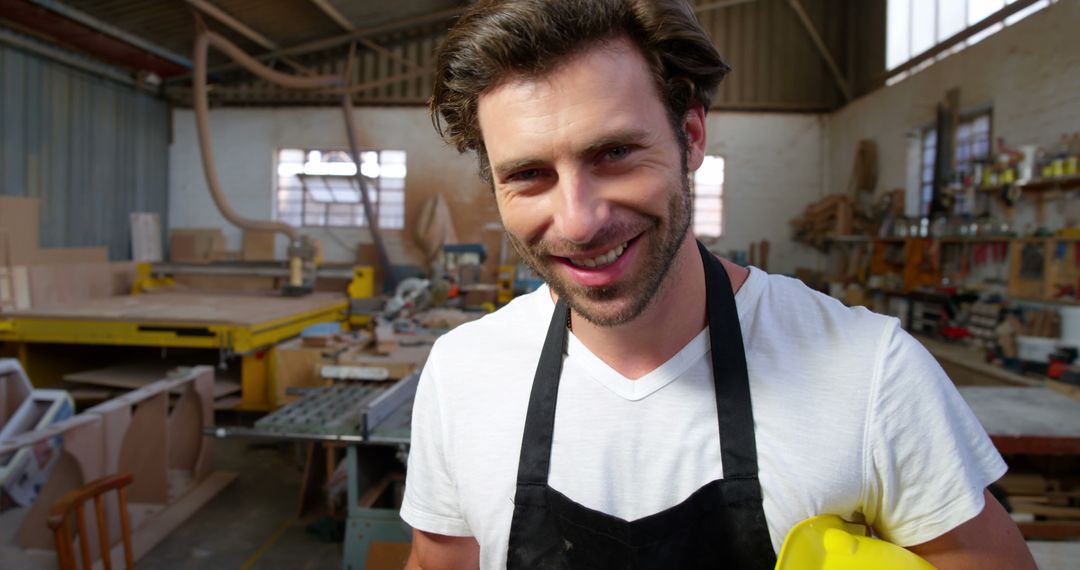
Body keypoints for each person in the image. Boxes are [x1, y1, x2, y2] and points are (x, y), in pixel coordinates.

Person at [401, 0, 1036, 568]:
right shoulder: (463, 373)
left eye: (615, 153)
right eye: (530, 174)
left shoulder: (869, 374)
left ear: (692, 136)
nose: (579, 220)